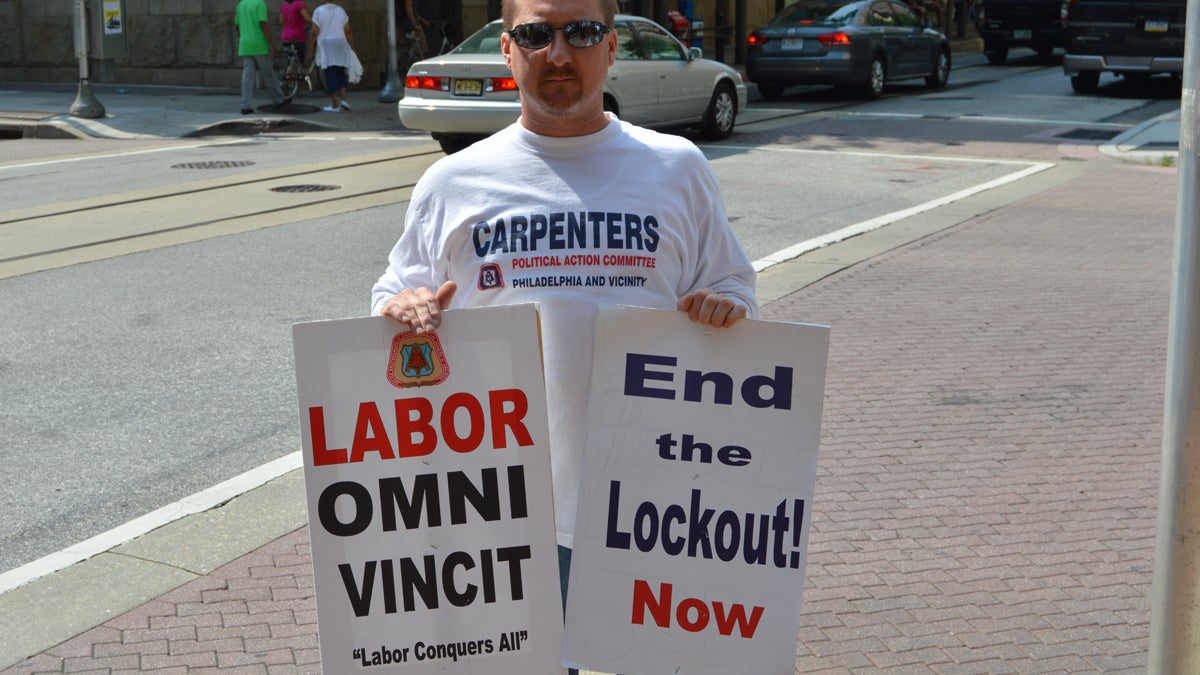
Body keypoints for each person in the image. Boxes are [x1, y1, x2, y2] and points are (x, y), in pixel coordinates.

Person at [370, 0, 758, 640]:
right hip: (503, 515)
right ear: (506, 49)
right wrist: (399, 307)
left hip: (655, 506)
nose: (558, 53)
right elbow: (396, 292)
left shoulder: (678, 167)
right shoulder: (451, 182)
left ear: (611, 48)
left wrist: (727, 304)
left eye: (580, 32)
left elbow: (731, 283)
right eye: (535, 33)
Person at [234, 0, 291, 114]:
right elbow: (263, 24)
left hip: (245, 45)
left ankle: (245, 105)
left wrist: (243, 38)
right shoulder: (260, 4)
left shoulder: (241, 5)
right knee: (268, 73)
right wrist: (271, 44)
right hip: (259, 44)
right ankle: (278, 100)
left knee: (247, 76)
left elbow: (237, 25)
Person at [308, 0, 357, 112]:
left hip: (327, 45)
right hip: (341, 44)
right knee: (340, 71)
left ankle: (335, 105)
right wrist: (353, 46)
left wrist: (310, 49)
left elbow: (314, 32)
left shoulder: (318, 11)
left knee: (330, 73)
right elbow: (347, 30)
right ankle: (343, 99)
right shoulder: (341, 10)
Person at [279, 0, 311, 64]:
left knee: (291, 61)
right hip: (297, 37)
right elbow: (308, 19)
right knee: (300, 62)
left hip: (286, 37)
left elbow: (281, 21)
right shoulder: (299, 4)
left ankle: (289, 72)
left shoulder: (284, 5)